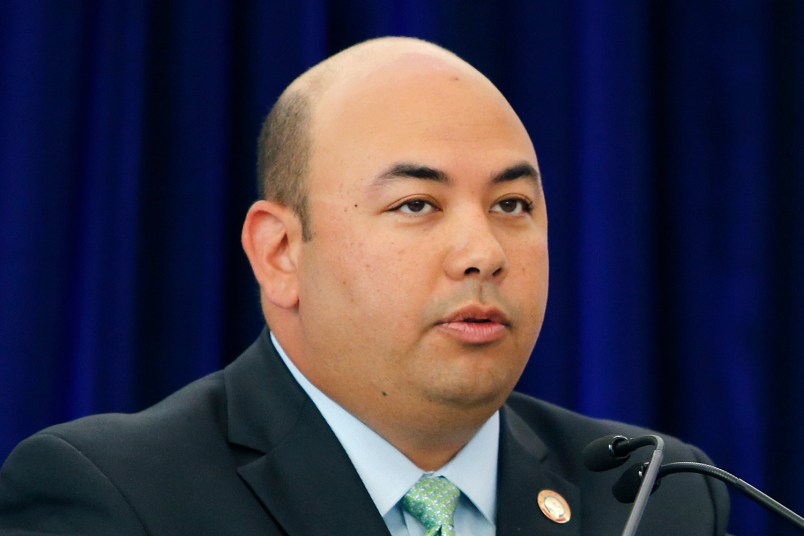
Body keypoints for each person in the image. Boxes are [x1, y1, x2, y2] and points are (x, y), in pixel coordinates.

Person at [0, 36, 729, 535]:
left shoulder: (653, 497)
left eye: (512, 205)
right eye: (417, 205)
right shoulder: (120, 499)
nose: (483, 252)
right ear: (280, 252)